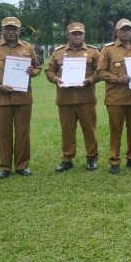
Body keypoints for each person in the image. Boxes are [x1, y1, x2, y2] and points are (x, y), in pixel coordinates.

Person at [0, 17, 42, 179]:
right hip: (1, 98)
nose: (11, 32)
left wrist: (31, 71)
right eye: (7, 29)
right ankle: (5, 166)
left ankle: (22, 166)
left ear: (19, 31)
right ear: (2, 30)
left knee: (23, 133)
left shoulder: (27, 47)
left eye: (14, 29)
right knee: (3, 133)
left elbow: (37, 67)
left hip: (23, 98)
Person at [95, 18, 131, 174]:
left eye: (129, 29)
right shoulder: (108, 49)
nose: (126, 32)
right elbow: (100, 72)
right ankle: (114, 160)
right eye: (123, 29)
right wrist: (117, 79)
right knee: (116, 129)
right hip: (116, 98)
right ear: (117, 32)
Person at [46, 22, 101, 172]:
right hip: (65, 99)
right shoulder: (58, 53)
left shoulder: (94, 52)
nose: (77, 36)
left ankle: (91, 158)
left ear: (84, 34)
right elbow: (49, 71)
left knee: (89, 129)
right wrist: (55, 79)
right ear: (68, 35)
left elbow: (101, 72)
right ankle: (67, 158)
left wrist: (89, 80)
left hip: (86, 98)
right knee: (67, 130)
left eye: (80, 33)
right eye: (74, 34)